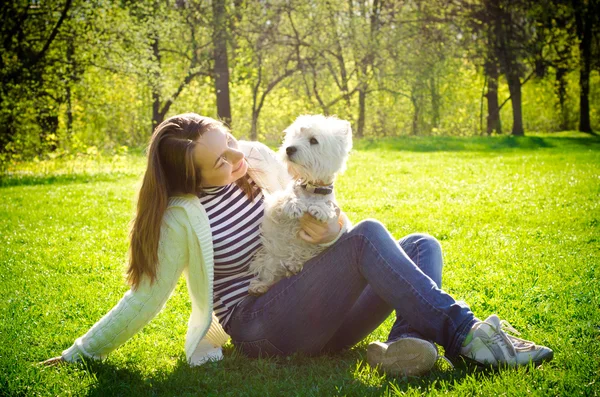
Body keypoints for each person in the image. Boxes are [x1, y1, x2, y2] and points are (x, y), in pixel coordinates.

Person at [42, 113, 553, 376]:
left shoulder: (259, 161)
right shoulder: (181, 218)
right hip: (262, 325)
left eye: (230, 144)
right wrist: (80, 352)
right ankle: (471, 336)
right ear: (189, 177)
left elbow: (324, 207)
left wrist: (335, 233)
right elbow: (144, 299)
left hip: (316, 313)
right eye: (220, 162)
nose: (237, 159)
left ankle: (404, 347)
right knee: (371, 234)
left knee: (421, 244)